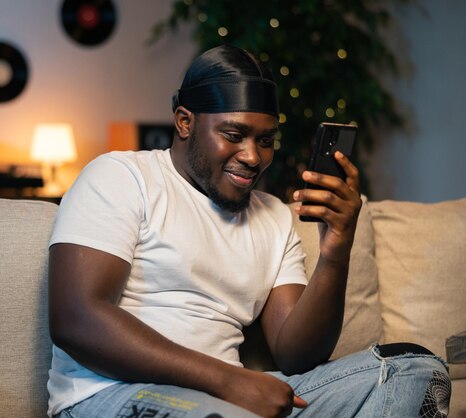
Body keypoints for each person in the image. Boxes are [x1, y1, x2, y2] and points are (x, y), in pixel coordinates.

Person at [47, 45, 450, 418]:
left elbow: (296, 355)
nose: (253, 157)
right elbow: (77, 319)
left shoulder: (273, 216)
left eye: (267, 140)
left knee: (415, 372)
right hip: (114, 395)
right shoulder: (121, 177)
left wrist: (335, 251)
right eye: (234, 135)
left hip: (229, 399)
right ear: (185, 122)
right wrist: (229, 381)